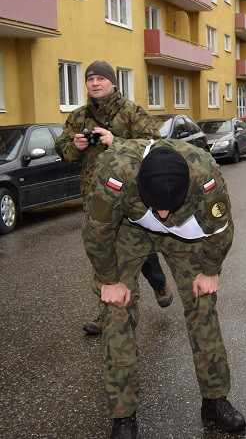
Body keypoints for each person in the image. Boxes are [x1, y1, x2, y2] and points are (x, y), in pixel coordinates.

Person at [82, 138, 245, 438]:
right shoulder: (115, 171)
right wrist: (110, 281)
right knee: (116, 312)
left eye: (170, 206)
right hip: (131, 229)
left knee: (203, 303)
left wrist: (210, 271)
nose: (163, 215)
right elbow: (97, 232)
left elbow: (221, 229)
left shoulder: (203, 172)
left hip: (182, 235)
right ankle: (123, 415)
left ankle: (215, 400)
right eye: (157, 205)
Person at [55, 61, 173, 336]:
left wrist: (115, 141)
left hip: (131, 198)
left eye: (100, 78)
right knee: (104, 256)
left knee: (141, 253)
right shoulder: (78, 117)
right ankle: (109, 313)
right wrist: (75, 145)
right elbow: (63, 150)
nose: (95, 83)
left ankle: (159, 284)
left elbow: (154, 145)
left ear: (113, 82)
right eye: (90, 79)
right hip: (96, 200)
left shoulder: (131, 112)